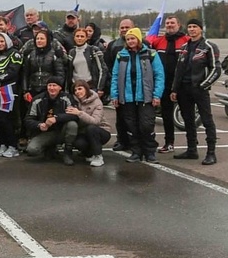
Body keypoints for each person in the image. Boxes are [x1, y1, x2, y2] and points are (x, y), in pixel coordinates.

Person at [110, 27, 164, 164]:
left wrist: (157, 94)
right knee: (131, 127)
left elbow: (159, 75)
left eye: (133, 38)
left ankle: (150, 152)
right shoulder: (121, 55)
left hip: (146, 97)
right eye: (128, 39)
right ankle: (136, 152)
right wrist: (114, 95)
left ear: (139, 39)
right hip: (127, 98)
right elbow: (115, 76)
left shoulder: (151, 54)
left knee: (146, 126)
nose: (130, 41)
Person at [171, 18, 221, 165]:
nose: (192, 29)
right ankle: (191, 149)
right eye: (190, 26)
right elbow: (178, 70)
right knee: (188, 120)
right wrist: (175, 89)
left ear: (201, 29)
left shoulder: (208, 47)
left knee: (207, 120)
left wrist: (203, 85)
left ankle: (211, 153)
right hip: (184, 90)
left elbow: (216, 69)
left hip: (199, 89)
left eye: (195, 27)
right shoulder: (184, 47)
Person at [146, 16, 189, 153]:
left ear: (179, 24)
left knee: (187, 115)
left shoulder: (186, 41)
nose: (169, 25)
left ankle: (191, 145)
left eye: (172, 23)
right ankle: (169, 143)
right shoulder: (158, 42)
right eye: (167, 23)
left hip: (183, 84)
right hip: (164, 84)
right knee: (167, 115)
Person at [24, 78, 79, 165]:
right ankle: (49, 148)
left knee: (72, 125)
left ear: (60, 88)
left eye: (54, 85)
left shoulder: (67, 98)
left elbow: (74, 115)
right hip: (46, 132)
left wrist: (56, 118)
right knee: (32, 150)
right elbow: (28, 119)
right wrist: (39, 125)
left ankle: (67, 152)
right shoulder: (37, 99)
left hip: (62, 130)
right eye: (49, 85)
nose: (52, 88)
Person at [0, 33, 22, 158]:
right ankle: (3, 143)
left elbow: (13, 72)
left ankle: (13, 146)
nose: (0, 44)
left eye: (2, 41)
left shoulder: (15, 54)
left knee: (6, 118)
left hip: (9, 90)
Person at [104, 18, 134, 150]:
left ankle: (135, 142)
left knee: (135, 117)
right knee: (120, 117)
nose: (124, 30)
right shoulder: (113, 45)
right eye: (122, 27)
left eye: (127, 27)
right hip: (119, 87)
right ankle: (121, 140)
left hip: (135, 87)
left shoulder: (143, 44)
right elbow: (108, 66)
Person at [68, 80, 110, 167]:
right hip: (83, 132)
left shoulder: (97, 102)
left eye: (80, 89)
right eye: (75, 90)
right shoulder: (73, 102)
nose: (77, 92)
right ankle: (88, 153)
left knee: (91, 128)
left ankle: (98, 156)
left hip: (101, 131)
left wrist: (79, 113)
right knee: (78, 142)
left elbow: (96, 121)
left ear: (86, 89)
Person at [22, 29, 65, 104]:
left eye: (42, 38)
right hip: (33, 90)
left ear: (47, 40)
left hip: (49, 90)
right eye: (37, 39)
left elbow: (60, 74)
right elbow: (25, 74)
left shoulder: (54, 54)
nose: (39, 41)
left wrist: (55, 89)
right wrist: (25, 90)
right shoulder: (30, 54)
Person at [66, 28, 106, 98]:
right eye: (77, 36)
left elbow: (103, 69)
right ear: (74, 38)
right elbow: (69, 72)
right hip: (75, 88)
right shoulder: (71, 52)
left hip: (90, 87)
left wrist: (100, 88)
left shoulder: (94, 50)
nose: (79, 38)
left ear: (86, 38)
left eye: (82, 36)